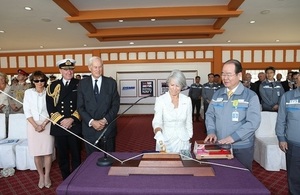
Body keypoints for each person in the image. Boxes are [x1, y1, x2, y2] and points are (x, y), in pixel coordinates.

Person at [204, 59, 261, 171]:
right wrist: (211, 131)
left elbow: (253, 122)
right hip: (220, 144)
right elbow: (210, 114)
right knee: (221, 176)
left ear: (239, 75)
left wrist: (233, 137)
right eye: (223, 74)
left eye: (229, 74)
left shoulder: (250, 96)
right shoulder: (218, 94)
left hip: (241, 147)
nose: (225, 78)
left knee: (242, 180)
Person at [46, 59, 82, 180]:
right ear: (60, 70)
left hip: (74, 125)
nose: (69, 72)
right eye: (66, 69)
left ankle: (76, 178)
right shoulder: (53, 86)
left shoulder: (80, 84)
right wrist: (62, 121)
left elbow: (83, 105)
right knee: (63, 156)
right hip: (59, 126)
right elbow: (50, 107)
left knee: (76, 155)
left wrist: (71, 119)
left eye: (71, 69)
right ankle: (66, 178)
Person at [77, 56, 120, 156]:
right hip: (90, 130)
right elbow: (80, 107)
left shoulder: (111, 83)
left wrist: (104, 120)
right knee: (92, 161)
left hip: (107, 128)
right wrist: (92, 122)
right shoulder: (82, 84)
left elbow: (115, 105)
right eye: (95, 67)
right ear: (90, 68)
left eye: (100, 67)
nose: (98, 70)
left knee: (109, 159)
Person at [23, 71, 54, 189]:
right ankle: (41, 175)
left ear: (45, 81)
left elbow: (52, 111)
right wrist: (36, 126)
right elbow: (27, 111)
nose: (39, 83)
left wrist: (44, 124)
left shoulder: (49, 93)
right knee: (37, 153)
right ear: (32, 82)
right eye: (36, 80)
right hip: (32, 125)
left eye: (41, 80)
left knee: (47, 152)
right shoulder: (28, 93)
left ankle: (47, 176)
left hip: (47, 124)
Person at [152, 69, 193, 153]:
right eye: (172, 85)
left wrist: (189, 136)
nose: (174, 88)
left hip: (183, 140)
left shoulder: (187, 100)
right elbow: (157, 121)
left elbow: (189, 121)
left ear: (182, 86)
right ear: (168, 84)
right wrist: (159, 134)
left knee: (183, 164)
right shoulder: (160, 100)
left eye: (177, 86)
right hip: (164, 140)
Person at [275, 71, 300, 195]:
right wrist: (281, 138)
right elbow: (281, 120)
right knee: (294, 177)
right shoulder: (288, 96)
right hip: (294, 144)